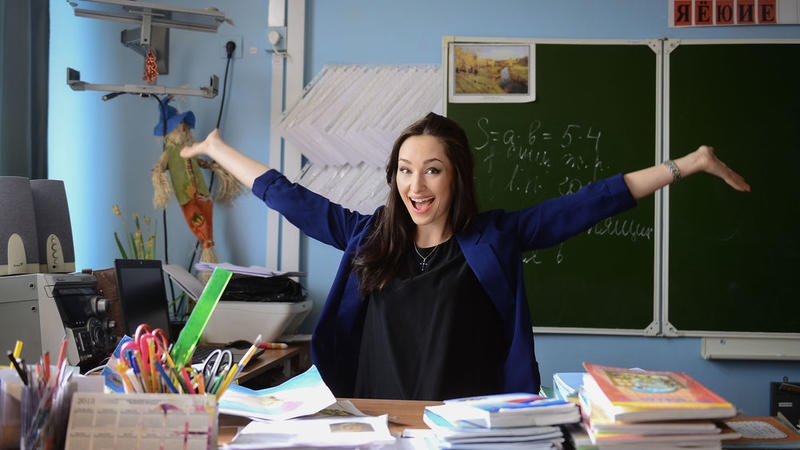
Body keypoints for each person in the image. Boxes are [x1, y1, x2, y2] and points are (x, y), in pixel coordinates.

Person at [181, 112, 750, 401]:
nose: (416, 185)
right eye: (405, 171)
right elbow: (287, 196)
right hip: (379, 423)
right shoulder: (369, 238)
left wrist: (686, 164)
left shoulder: (494, 238)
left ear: (456, 176)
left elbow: (589, 203)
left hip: (465, 428)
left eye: (432, 170)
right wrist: (217, 149)